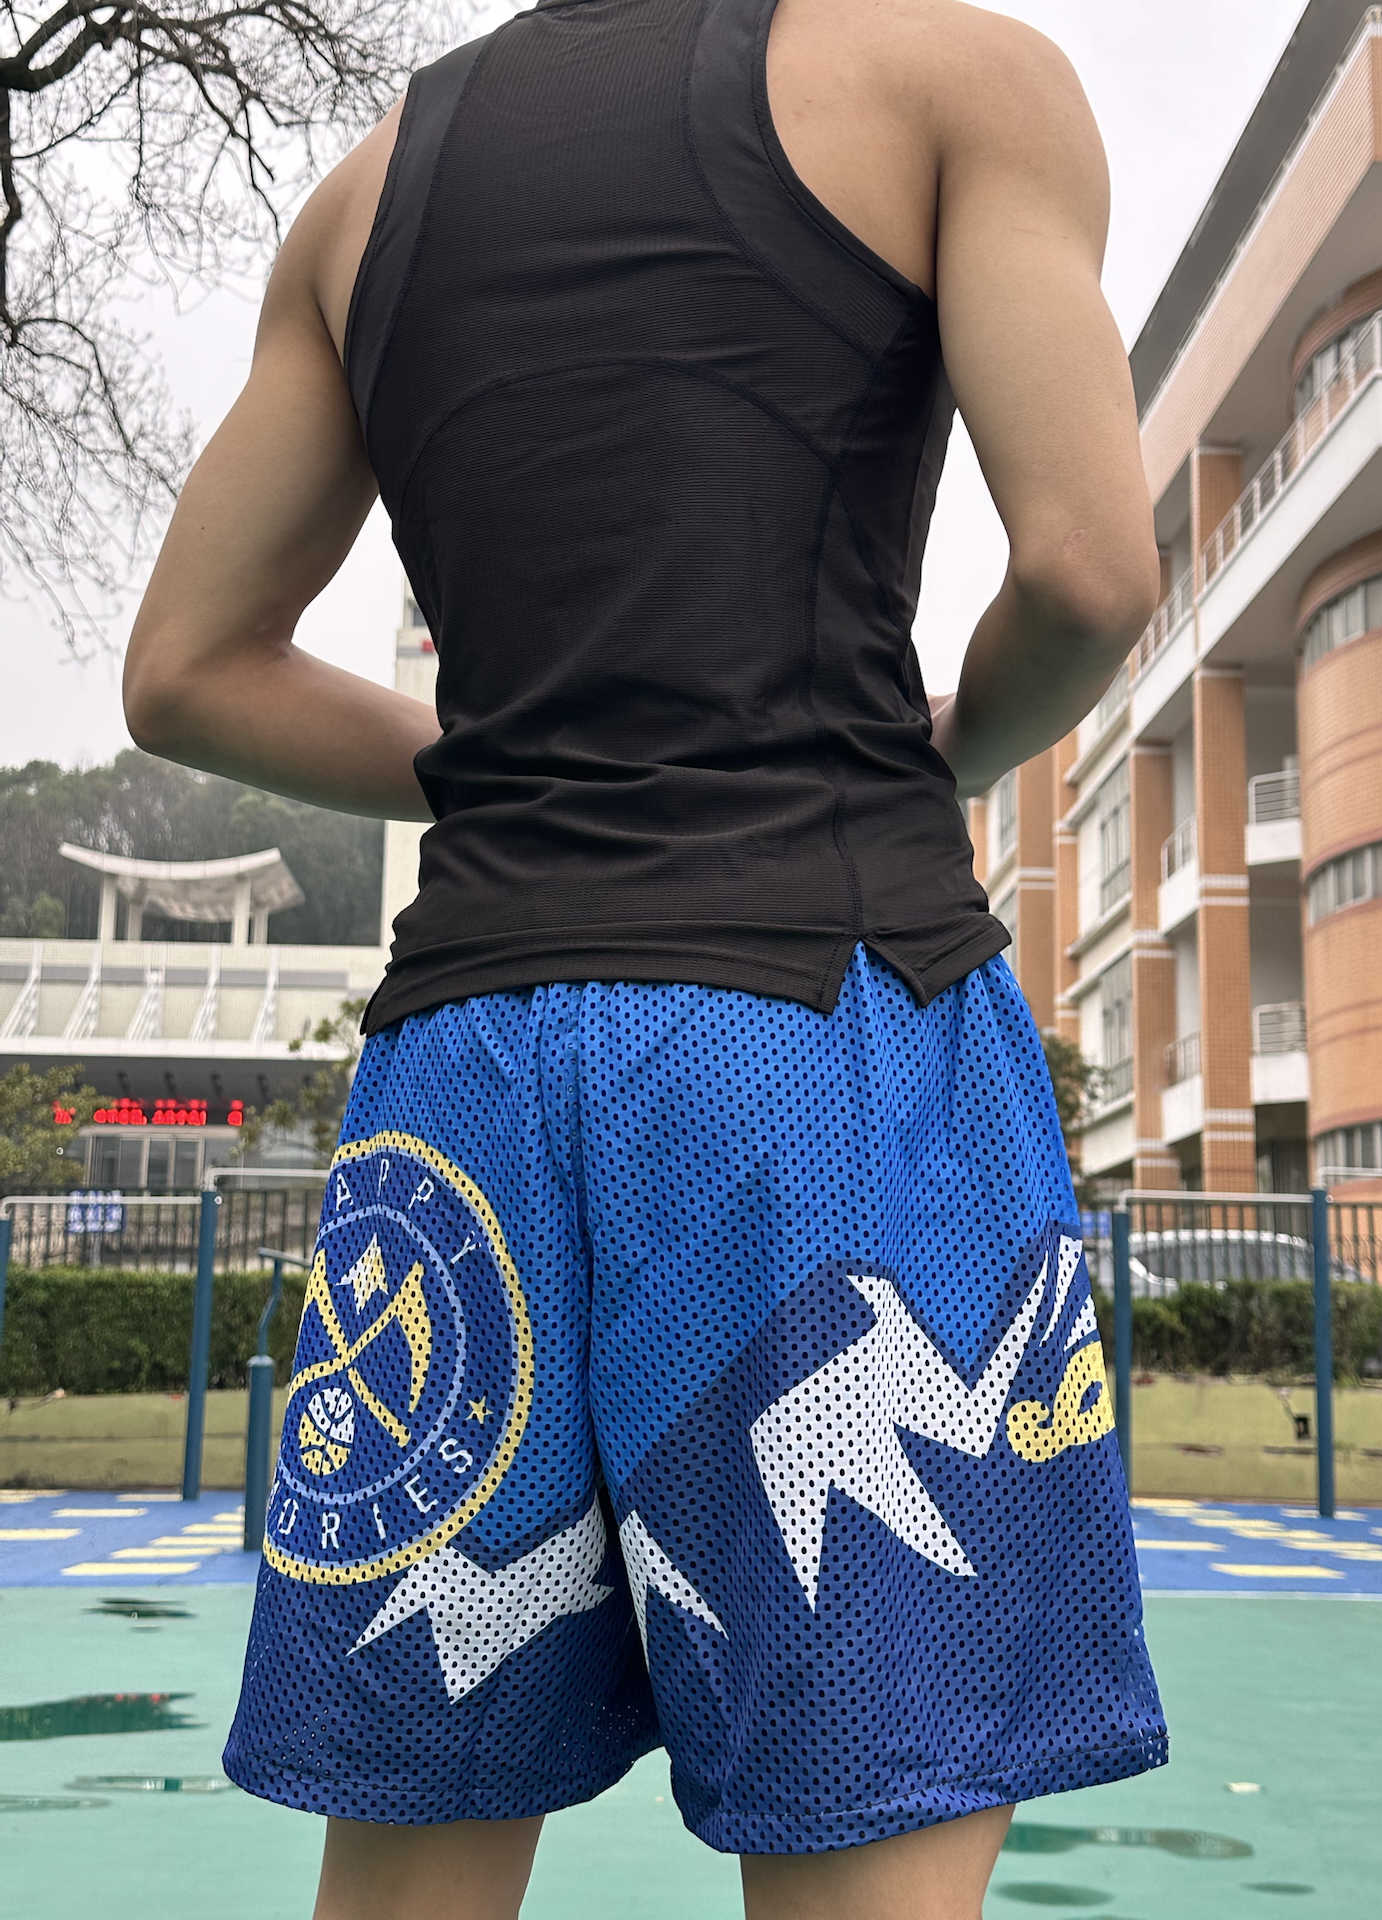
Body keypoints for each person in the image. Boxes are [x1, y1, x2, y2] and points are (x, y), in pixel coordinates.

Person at [123, 1, 1166, 1914]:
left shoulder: (364, 192)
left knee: (411, 1864)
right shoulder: (954, 78)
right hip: (812, 1026)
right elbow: (1091, 575)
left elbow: (184, 669)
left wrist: (518, 770)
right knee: (871, 1842)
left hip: (461, 1083)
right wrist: (933, 757)